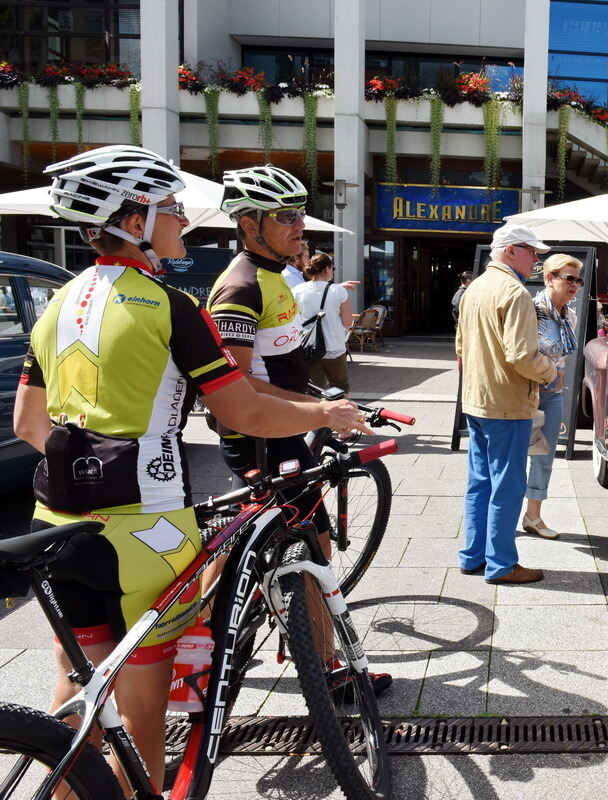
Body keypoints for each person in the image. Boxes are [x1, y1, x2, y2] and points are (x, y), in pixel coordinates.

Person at [12, 145, 368, 793]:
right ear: (136, 221)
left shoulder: (57, 301)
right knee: (143, 709)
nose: (183, 220)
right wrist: (326, 414)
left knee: (78, 694)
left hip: (54, 518)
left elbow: (28, 425)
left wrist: (86, 470)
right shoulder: (173, 306)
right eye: (171, 209)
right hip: (144, 529)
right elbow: (244, 412)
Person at [207, 164, 391, 699]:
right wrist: (321, 411)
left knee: (256, 542)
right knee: (312, 545)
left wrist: (321, 402)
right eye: (285, 216)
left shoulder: (276, 276)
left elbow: (280, 368)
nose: (299, 226)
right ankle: (325, 668)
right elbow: (236, 386)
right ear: (249, 224)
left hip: (281, 429)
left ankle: (211, 639)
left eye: (300, 215)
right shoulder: (241, 287)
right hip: (262, 436)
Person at [457, 224, 557, 584]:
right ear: (511, 250)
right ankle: (500, 564)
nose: (536, 260)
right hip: (507, 402)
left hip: (477, 399)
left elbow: (460, 346)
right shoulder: (515, 292)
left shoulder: (475, 288)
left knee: (480, 481)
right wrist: (550, 372)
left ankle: (473, 556)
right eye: (532, 252)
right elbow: (521, 355)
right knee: (508, 485)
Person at [520, 254, 582, 539]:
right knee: (516, 457)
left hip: (553, 394)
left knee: (544, 457)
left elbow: (562, 357)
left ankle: (533, 516)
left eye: (578, 280)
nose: (575, 284)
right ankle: (503, 516)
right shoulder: (530, 311)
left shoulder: (570, 315)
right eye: (569, 278)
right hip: (526, 394)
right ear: (549, 278)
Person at [294, 252, 352, 393]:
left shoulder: (297, 290)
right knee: (340, 387)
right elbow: (347, 322)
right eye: (333, 268)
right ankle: (340, 408)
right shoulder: (339, 291)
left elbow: (293, 320)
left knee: (314, 390)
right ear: (327, 269)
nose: (332, 271)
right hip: (334, 347)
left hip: (309, 348)